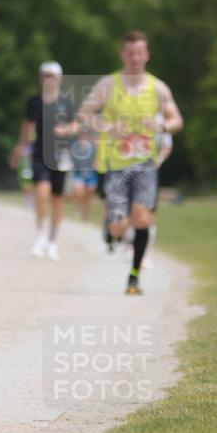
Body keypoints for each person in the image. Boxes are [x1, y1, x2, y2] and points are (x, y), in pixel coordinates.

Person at [77, 30, 183, 295]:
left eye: (140, 52)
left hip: (146, 165)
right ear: (123, 54)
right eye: (130, 52)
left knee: (142, 219)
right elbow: (85, 114)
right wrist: (106, 125)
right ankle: (110, 230)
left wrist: (161, 124)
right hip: (114, 166)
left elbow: (176, 121)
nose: (135, 57)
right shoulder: (108, 85)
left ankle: (134, 278)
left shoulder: (157, 88)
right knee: (118, 226)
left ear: (147, 55)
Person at [9, 61, 74, 261]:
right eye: (45, 75)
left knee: (57, 200)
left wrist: (66, 130)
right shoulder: (34, 102)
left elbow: (77, 126)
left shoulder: (67, 102)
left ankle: (53, 241)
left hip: (61, 156)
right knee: (41, 194)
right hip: (39, 154)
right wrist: (19, 148)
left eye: (52, 75)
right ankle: (40, 235)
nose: (48, 79)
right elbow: (27, 127)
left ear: (59, 79)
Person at [70, 129, 98, 220]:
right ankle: (79, 207)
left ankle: (85, 212)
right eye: (82, 134)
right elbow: (71, 159)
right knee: (79, 191)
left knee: (88, 195)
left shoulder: (93, 147)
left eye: (86, 134)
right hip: (78, 173)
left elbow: (96, 160)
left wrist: (96, 165)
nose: (84, 136)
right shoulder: (75, 147)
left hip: (90, 173)